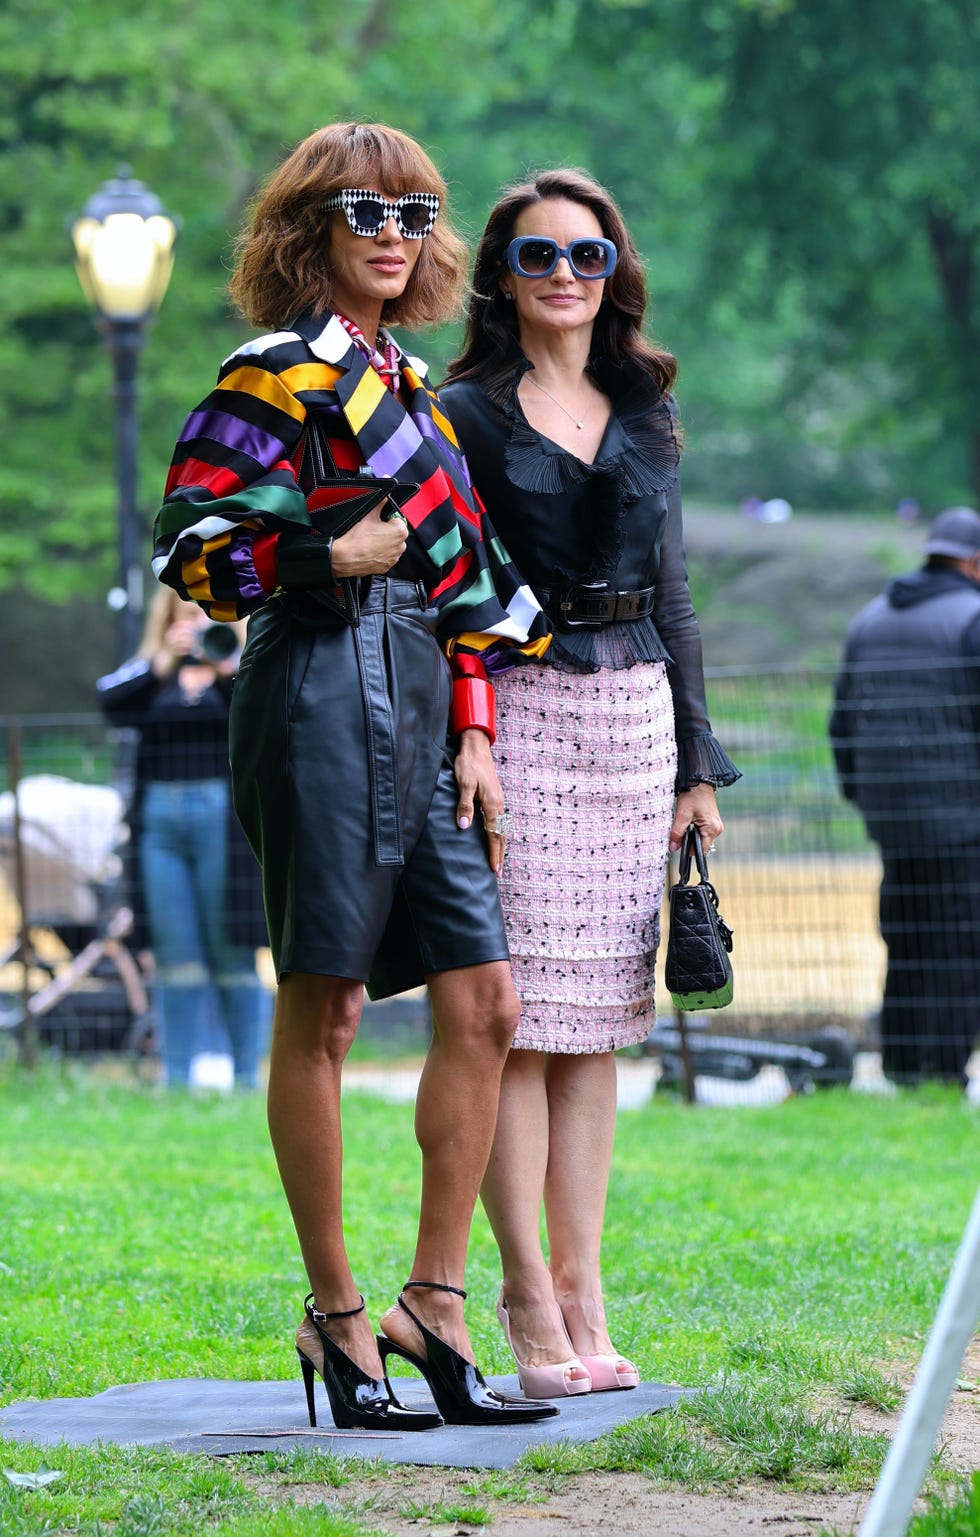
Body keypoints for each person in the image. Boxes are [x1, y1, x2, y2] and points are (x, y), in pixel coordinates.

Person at [151, 122, 558, 1433]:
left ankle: (434, 1305)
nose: (393, 233)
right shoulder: (273, 371)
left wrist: (480, 729)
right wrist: (331, 554)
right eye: (365, 211)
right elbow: (196, 548)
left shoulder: (421, 398)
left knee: (488, 998)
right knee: (322, 1007)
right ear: (308, 230)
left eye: (415, 210)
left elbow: (469, 593)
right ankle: (334, 1319)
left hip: (429, 703)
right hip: (316, 683)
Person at [440, 169, 740, 1397]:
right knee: (516, 1025)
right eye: (537, 256)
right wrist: (466, 736)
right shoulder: (461, 410)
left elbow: (672, 594)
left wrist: (693, 761)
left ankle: (584, 1287)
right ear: (501, 278)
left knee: (599, 1033)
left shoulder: (647, 407)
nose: (565, 274)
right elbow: (443, 592)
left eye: (586, 253)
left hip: (628, 720)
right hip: (517, 713)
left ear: (614, 269)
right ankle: (521, 1295)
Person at [829, 506, 980, 1087]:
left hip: (890, 811)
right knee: (961, 938)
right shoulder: (972, 618)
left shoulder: (871, 618)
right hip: (962, 812)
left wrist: (862, 794)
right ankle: (945, 1069)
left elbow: (841, 722)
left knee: (907, 934)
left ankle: (902, 1063)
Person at [97, 588, 271, 1089]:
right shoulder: (153, 673)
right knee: (175, 953)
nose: (195, 620)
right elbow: (109, 699)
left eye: (205, 612)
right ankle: (177, 1079)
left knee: (231, 947)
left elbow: (268, 710)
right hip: (160, 823)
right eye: (186, 611)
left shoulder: (242, 668)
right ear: (168, 617)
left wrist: (226, 667)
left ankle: (245, 1078)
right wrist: (162, 661)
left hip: (224, 820)